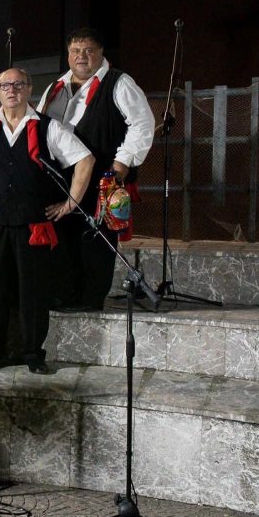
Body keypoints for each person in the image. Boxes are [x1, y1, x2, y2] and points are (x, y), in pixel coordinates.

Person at [0, 69, 94, 374]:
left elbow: (85, 160)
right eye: (4, 85)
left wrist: (71, 202)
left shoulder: (48, 128)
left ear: (28, 89)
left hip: (34, 225)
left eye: (17, 84)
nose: (11, 90)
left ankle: (33, 354)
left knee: (33, 292)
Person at [36, 27, 155, 310]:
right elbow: (40, 127)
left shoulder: (119, 83)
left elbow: (143, 124)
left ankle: (90, 299)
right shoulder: (55, 88)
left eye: (88, 50)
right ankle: (65, 294)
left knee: (95, 239)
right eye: (75, 51)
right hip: (62, 178)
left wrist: (120, 165)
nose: (81, 56)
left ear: (101, 53)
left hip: (102, 175)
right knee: (64, 236)